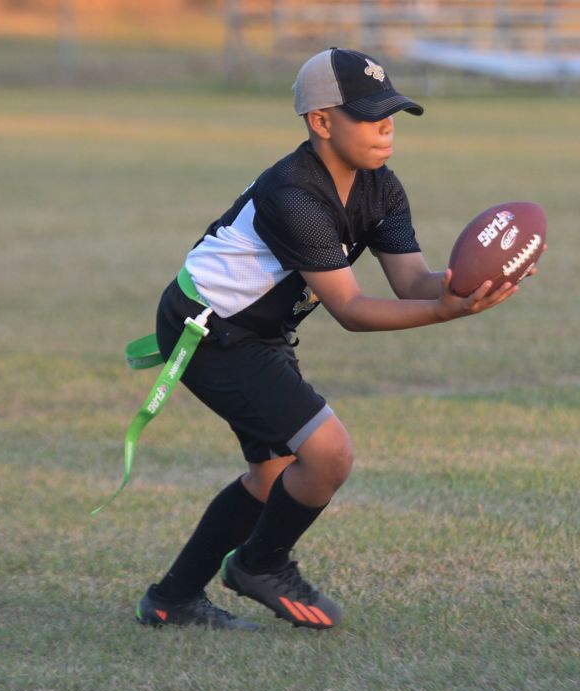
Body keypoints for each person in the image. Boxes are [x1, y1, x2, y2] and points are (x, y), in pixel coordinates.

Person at [135, 48, 531, 630]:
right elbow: (349, 308)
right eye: (371, 116)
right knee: (327, 454)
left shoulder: (381, 188)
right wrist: (449, 312)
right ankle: (259, 565)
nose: (387, 127)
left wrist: (469, 284)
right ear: (322, 122)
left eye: (391, 113)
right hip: (210, 330)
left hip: (259, 331)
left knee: (273, 479)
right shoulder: (291, 194)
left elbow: (411, 283)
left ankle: (171, 600)